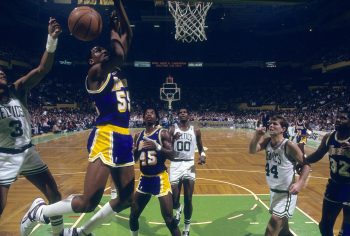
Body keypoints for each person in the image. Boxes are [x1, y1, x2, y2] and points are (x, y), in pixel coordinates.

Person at [20, 1, 135, 235]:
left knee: (125, 199)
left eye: (103, 49)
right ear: (91, 61)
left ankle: (81, 233)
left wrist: (119, 14)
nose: (101, 50)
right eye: (96, 51)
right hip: (106, 135)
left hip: (124, 137)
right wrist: (113, 29)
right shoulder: (95, 74)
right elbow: (120, 53)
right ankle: (39, 213)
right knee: (88, 202)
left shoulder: (112, 70)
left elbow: (129, 35)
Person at [0, 18, 63, 236]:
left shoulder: (17, 89)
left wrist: (51, 40)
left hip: (27, 152)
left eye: (2, 70)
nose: (1, 72)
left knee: (54, 195)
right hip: (3, 157)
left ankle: (58, 233)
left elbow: (43, 69)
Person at [249, 115, 311, 236]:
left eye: (275, 124)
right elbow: (252, 150)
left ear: (283, 129)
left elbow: (307, 165)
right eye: (270, 123)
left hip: (286, 193)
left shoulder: (289, 145)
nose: (271, 125)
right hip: (274, 191)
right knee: (283, 231)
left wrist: (300, 183)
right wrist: (257, 136)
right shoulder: (267, 142)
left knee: (271, 229)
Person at [129, 107, 181, 236]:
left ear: (156, 117)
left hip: (160, 179)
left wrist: (157, 147)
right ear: (143, 117)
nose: (149, 115)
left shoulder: (162, 133)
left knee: (169, 219)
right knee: (133, 214)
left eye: (152, 113)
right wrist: (136, 151)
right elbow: (135, 159)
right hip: (144, 179)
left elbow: (173, 155)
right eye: (146, 113)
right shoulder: (138, 136)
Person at [304, 109, 350, 236]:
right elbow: (319, 154)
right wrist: (303, 161)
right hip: (335, 185)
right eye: (338, 117)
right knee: (324, 225)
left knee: (347, 230)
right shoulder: (329, 137)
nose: (338, 120)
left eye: (343, 118)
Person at [168, 107, 206, 236]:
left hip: (189, 164)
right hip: (175, 165)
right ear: (177, 115)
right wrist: (173, 139)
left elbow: (201, 147)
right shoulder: (172, 129)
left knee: (188, 199)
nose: (183, 114)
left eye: (185, 112)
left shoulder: (195, 130)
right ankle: (178, 209)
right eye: (180, 113)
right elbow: (166, 147)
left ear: (189, 115)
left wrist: (203, 155)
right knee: (174, 199)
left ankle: (186, 228)